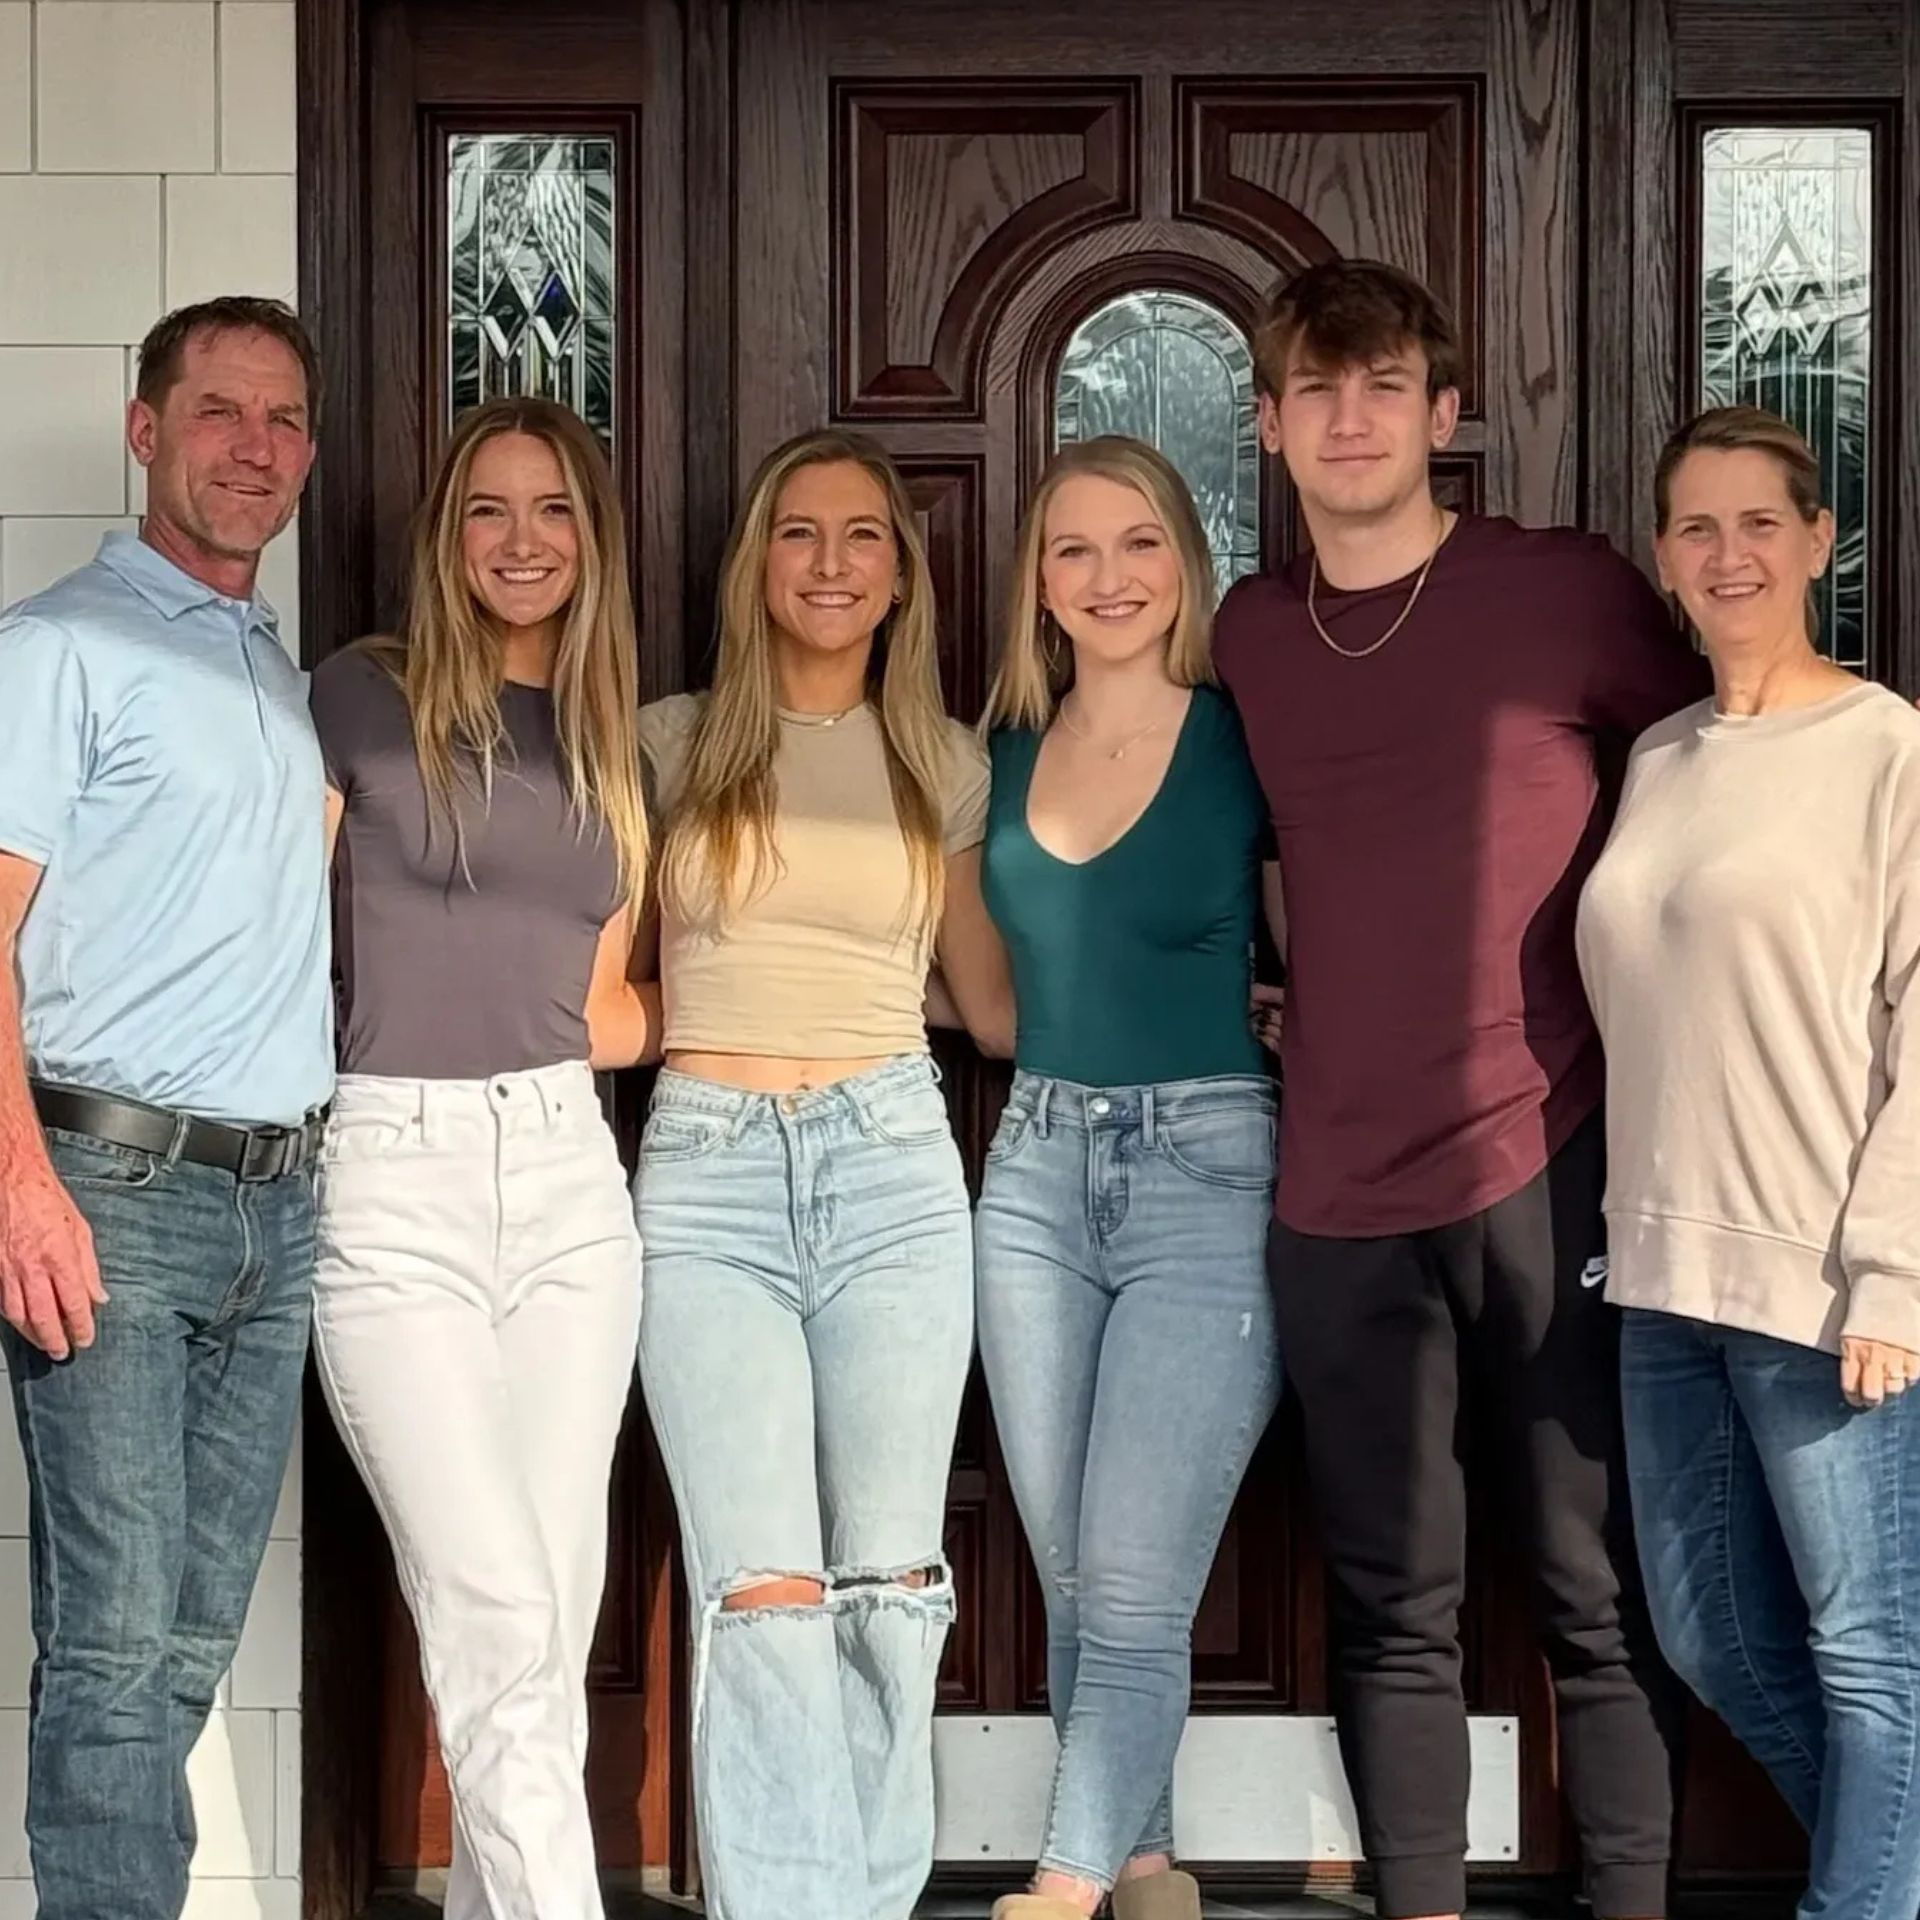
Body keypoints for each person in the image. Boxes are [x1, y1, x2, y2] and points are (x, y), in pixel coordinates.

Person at [1213, 258, 1707, 1920]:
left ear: (1442, 413)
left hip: (1542, 1154)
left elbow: (1715, 775)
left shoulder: (1562, 591)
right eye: (1316, 389)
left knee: (1594, 1593)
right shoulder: (1252, 634)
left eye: (1383, 387)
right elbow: (1258, 845)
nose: (1349, 419)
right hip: (1335, 1190)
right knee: (1390, 1607)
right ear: (1270, 424)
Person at [632, 426, 1011, 1920]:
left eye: (865, 537)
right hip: (707, 1171)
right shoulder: (668, 744)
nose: (833, 563)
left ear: (902, 575)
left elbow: (985, 1002)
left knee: (890, 1586)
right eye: (800, 532)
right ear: (756, 565)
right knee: (763, 1592)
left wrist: (1218, 1003)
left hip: (891, 1165)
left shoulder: (944, 762)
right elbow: (605, 978)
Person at [0, 297, 328, 1920]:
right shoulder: (57, 647)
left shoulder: (270, 665)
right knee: (117, 1638)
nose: (253, 448)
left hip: (278, 1210)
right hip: (110, 1191)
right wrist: (19, 1185)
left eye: (283, 420)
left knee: (190, 1632)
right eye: (217, 411)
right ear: (145, 431)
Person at [308, 396, 649, 1920]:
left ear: (594, 540)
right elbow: (273, 936)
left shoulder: (611, 744)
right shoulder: (357, 697)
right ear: (446, 538)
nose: (523, 541)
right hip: (394, 1176)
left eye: (554, 508)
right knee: (496, 1610)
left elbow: (611, 1005)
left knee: (547, 1618)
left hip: (570, 1178)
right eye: (488, 511)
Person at [1578, 405, 1920, 1920]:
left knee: (1872, 1661)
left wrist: (1895, 1276)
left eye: (1762, 523)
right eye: (1698, 527)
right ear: (1664, 557)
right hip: (1663, 1279)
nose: (1731, 555)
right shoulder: (1662, 754)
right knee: (1713, 1636)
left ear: (1821, 541)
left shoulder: (1888, 749)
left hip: (1827, 1291)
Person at [973, 435, 1280, 1920]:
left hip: (1206, 1167)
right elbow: (983, 1000)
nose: (1110, 577)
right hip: (1032, 1167)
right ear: (1038, 582)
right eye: (1075, 549)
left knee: (1138, 1580)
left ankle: (1066, 1879)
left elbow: (1338, 925)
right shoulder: (998, 751)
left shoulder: (1246, 737)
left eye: (1140, 541)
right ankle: (1149, 1871)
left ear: (1186, 563)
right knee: (1079, 1577)